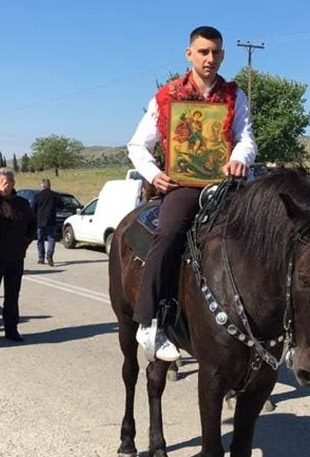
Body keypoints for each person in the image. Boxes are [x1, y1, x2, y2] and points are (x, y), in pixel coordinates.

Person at [127, 26, 256, 361]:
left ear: (223, 55)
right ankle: (149, 322)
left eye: (215, 52)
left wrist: (239, 160)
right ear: (189, 54)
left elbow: (245, 138)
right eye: (203, 52)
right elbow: (138, 145)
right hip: (183, 185)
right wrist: (156, 175)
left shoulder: (234, 95)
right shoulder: (167, 96)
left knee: (261, 236)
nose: (209, 58)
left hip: (225, 185)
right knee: (168, 234)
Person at [0, 168, 35, 347]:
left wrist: (24, 242)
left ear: (14, 183)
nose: (6, 185)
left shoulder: (22, 203)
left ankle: (12, 329)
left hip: (16, 256)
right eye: (1, 182)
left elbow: (32, 225)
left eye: (8, 182)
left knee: (12, 295)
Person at [31, 178, 58, 266]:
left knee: (40, 240)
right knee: (51, 239)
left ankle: (41, 258)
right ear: (49, 185)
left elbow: (33, 209)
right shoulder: (54, 195)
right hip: (51, 220)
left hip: (40, 221)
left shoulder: (37, 196)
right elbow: (62, 205)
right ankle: (49, 254)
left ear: (42, 185)